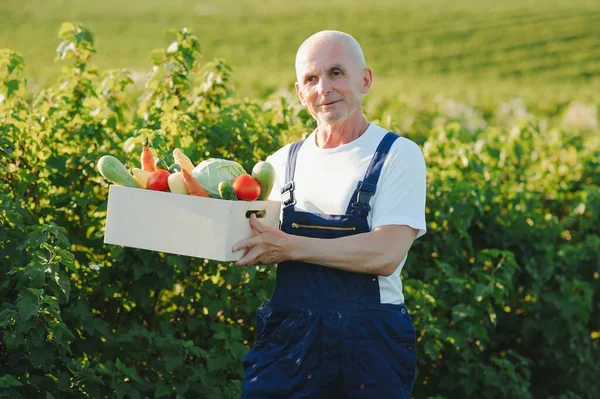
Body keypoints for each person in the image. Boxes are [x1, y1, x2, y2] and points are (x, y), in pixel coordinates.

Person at [232, 30, 427, 399]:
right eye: (311, 78)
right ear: (299, 92)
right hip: (288, 341)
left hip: (370, 345)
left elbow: (385, 253)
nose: (324, 88)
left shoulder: (396, 155)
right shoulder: (280, 164)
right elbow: (247, 237)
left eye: (336, 72)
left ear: (365, 80)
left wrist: (289, 247)